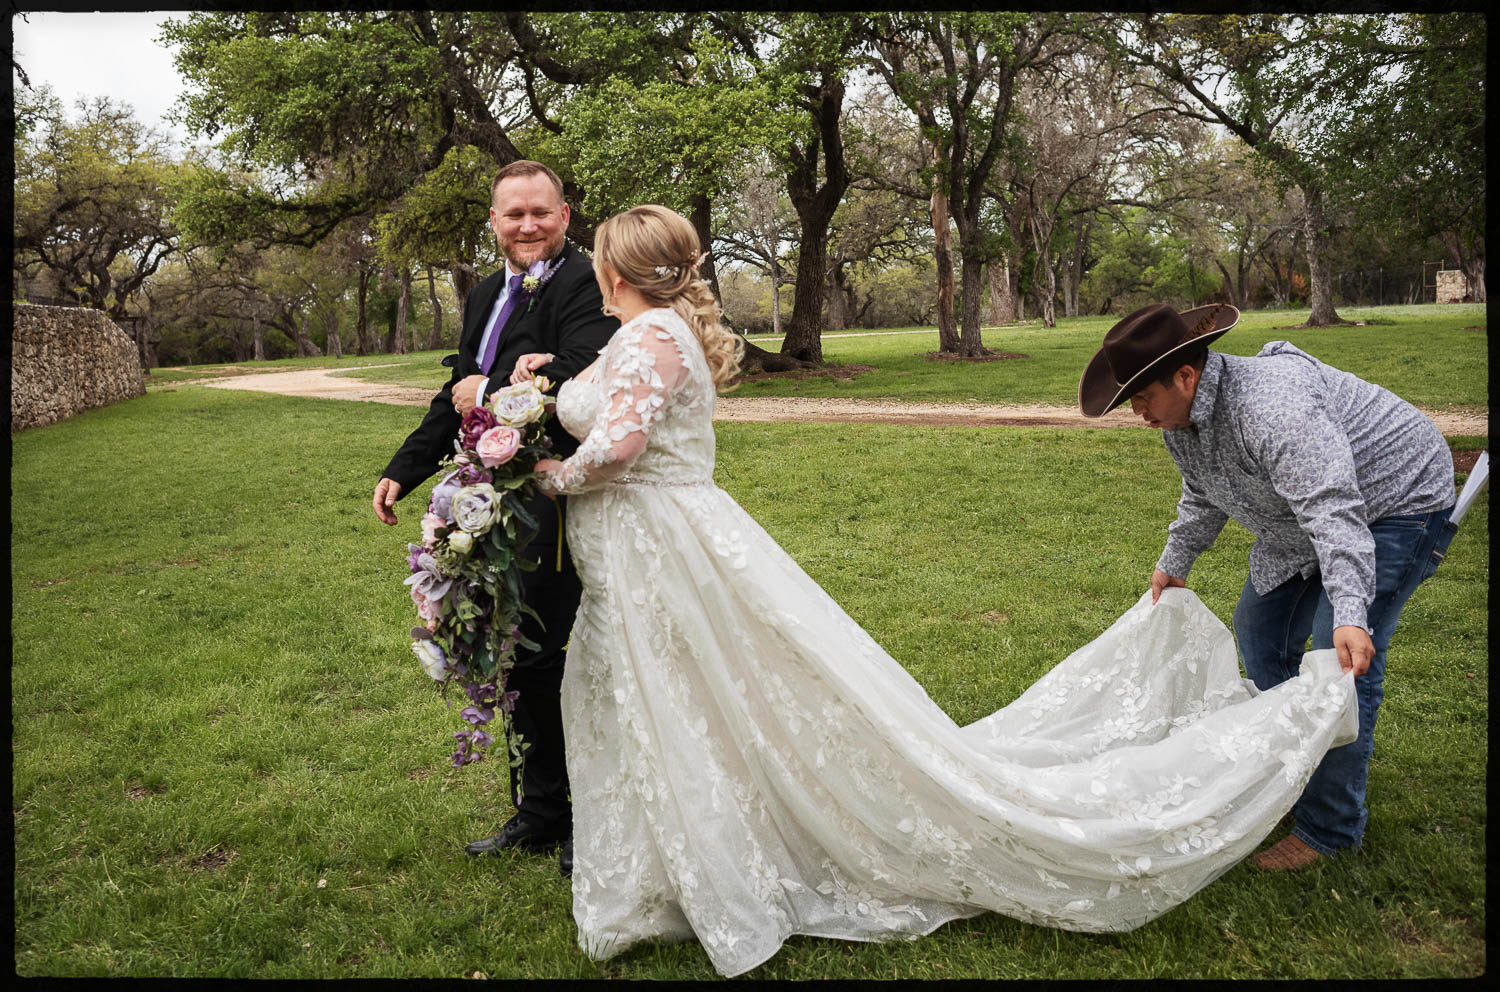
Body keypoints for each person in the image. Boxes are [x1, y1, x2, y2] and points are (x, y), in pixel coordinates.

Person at [510, 204, 1358, 978]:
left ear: (613, 269)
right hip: (647, 550)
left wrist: (550, 475)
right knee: (677, 695)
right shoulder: (646, 333)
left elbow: (617, 449)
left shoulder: (654, 335)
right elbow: (1204, 490)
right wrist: (538, 390)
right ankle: (676, 863)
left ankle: (1322, 810)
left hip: (664, 548)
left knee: (692, 691)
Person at [1079, 302, 1457, 871]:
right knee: (1259, 633)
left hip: (1394, 502)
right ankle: (1289, 781)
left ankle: (1330, 831)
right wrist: (1174, 560)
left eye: (1141, 396)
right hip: (1297, 522)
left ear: (1186, 376)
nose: (1136, 411)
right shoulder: (1180, 420)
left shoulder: (1271, 407)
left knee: (1339, 662)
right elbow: (1203, 492)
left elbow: (1334, 510)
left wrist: (1351, 611)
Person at [373, 161, 617, 876]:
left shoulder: (586, 282)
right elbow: (456, 393)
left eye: (541, 212)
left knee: (561, 662)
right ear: (494, 223)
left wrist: (489, 386)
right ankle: (542, 811)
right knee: (517, 656)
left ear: (566, 215)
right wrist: (403, 469)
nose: (528, 225)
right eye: (514, 214)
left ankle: (588, 818)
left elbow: (580, 374)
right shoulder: (483, 293)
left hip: (562, 506)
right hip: (493, 508)